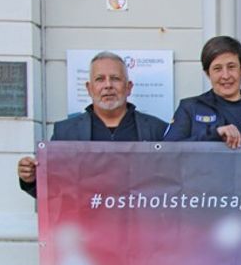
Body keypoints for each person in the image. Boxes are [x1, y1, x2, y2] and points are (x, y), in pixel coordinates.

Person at [17, 51, 167, 198]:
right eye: (100, 79)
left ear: (128, 87)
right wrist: (31, 180)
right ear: (89, 88)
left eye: (115, 78)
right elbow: (53, 191)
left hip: (141, 221)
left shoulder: (157, 129)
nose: (108, 85)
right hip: (85, 220)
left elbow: (171, 187)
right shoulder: (66, 132)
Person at [164, 35, 241, 147]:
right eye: (218, 69)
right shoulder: (189, 109)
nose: (226, 76)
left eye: (231, 67)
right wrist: (214, 134)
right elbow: (169, 150)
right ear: (207, 73)